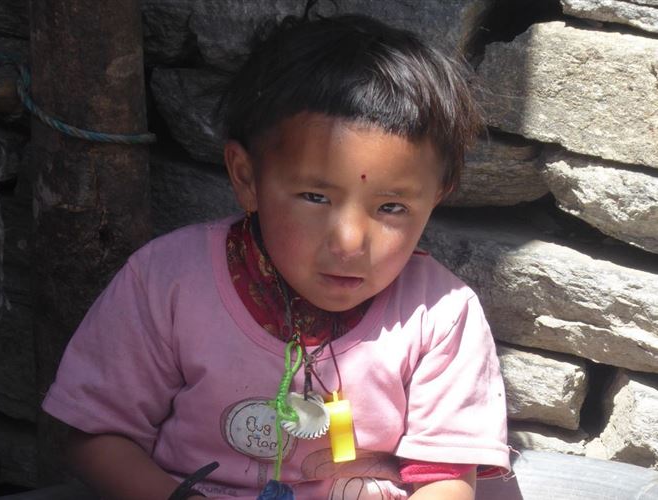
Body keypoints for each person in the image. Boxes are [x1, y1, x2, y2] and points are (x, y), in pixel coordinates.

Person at [41, 14, 510, 500]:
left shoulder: (441, 314)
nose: (349, 242)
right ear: (246, 178)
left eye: (391, 207)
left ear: (435, 198)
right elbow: (96, 436)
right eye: (314, 197)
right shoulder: (168, 281)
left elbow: (446, 481)